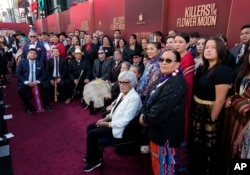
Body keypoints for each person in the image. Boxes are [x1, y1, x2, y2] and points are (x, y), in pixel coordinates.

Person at [139, 49, 187, 175]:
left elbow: (161, 109)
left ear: (177, 64)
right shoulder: (164, 78)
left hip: (167, 135)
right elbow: (148, 97)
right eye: (161, 60)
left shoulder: (176, 82)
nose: (163, 63)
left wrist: (145, 118)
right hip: (157, 132)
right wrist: (144, 113)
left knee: (165, 170)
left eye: (168, 60)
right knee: (157, 166)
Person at [83, 71, 142, 172]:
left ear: (132, 83)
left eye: (125, 82)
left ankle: (95, 161)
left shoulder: (134, 99)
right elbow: (115, 110)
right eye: (120, 82)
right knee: (90, 127)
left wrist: (107, 124)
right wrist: (106, 118)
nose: (121, 85)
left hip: (122, 130)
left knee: (93, 134)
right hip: (114, 124)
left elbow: (125, 121)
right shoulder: (122, 93)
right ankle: (93, 155)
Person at [189, 36, 232, 175]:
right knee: (196, 145)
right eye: (207, 47)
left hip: (210, 113)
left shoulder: (223, 71)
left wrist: (212, 119)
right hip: (197, 110)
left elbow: (220, 100)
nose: (208, 50)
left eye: (213, 47)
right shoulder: (202, 68)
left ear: (220, 50)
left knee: (208, 147)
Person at [174, 33, 194, 172]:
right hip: (173, 97)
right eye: (175, 41)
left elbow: (188, 85)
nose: (177, 44)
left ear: (187, 44)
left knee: (182, 128)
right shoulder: (176, 57)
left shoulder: (188, 59)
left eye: (180, 42)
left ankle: (182, 164)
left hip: (182, 99)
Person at [16, 48, 52, 114]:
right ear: (28, 54)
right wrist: (26, 82)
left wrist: (37, 81)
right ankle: (29, 106)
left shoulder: (40, 63)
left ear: (37, 56)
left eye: (34, 53)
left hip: (37, 82)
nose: (33, 54)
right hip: (27, 82)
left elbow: (44, 75)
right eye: (31, 53)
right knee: (20, 90)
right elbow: (18, 74)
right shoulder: (22, 62)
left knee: (47, 86)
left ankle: (47, 105)